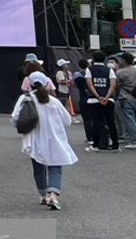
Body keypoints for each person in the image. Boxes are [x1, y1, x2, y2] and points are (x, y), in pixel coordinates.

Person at [13, 73, 77, 210]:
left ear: (29, 84)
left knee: (38, 168)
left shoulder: (25, 99)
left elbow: (15, 118)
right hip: (54, 138)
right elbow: (68, 120)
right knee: (55, 167)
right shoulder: (53, 101)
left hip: (34, 138)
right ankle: (53, 195)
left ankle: (43, 194)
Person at [75, 54, 120, 151]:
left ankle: (96, 144)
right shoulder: (109, 70)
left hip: (94, 100)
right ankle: (115, 144)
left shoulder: (89, 70)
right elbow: (113, 85)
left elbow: (90, 84)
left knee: (96, 122)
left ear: (93, 59)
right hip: (109, 99)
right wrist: (107, 97)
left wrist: (98, 96)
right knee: (111, 122)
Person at [115, 52, 136, 149]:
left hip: (126, 97)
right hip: (134, 96)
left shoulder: (120, 72)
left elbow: (117, 86)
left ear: (124, 60)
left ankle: (134, 140)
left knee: (129, 119)